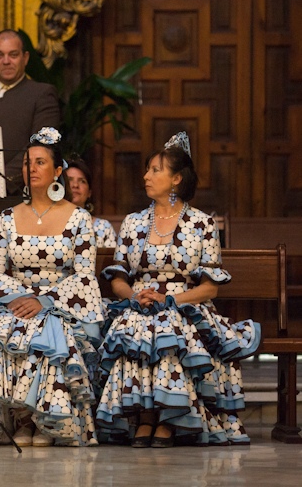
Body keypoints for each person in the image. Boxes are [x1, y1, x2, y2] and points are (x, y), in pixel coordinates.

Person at [95, 133, 259, 447]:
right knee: (134, 326)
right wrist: (134, 297)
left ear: (176, 179)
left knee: (168, 326)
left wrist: (168, 299)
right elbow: (117, 278)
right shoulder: (133, 222)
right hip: (138, 303)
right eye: (147, 170)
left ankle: (169, 417)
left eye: (155, 170)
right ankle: (144, 416)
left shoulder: (202, 224)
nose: (146, 176)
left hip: (184, 304)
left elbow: (209, 289)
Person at [0, 127, 103, 447]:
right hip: (17, 302)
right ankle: (21, 418)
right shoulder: (6, 218)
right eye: (27, 163)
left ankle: (45, 419)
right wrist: (21, 299)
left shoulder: (78, 219)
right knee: (5, 327)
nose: (31, 168)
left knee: (48, 327)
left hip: (60, 304)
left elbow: (86, 275)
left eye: (40, 162)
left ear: (58, 171)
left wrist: (45, 301)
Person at [0, 29, 60, 216]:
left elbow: (40, 145)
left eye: (13, 55)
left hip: (18, 199)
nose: (6, 61)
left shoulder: (41, 93)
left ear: (25, 58)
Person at [65, 158, 117, 248]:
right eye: (69, 180)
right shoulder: (49, 223)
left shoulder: (104, 227)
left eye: (82, 181)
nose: (75, 185)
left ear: (89, 192)